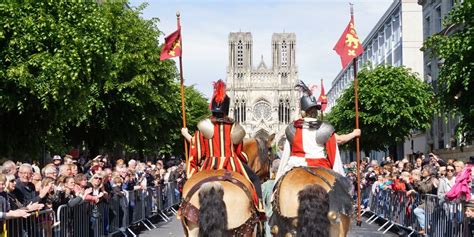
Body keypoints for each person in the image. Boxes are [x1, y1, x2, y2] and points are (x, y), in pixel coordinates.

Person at [181, 79, 264, 212]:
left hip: (209, 164)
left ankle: (183, 209)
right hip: (232, 164)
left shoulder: (204, 127)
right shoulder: (235, 127)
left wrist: (191, 173)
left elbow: (196, 154)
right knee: (254, 179)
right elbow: (239, 153)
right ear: (226, 109)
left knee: (189, 188)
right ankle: (259, 207)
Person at [276, 80, 360, 180]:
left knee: (279, 187)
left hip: (295, 165)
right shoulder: (324, 128)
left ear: (303, 112)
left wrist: (278, 178)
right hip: (319, 165)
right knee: (340, 187)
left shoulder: (292, 128)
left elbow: (285, 156)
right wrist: (354, 133)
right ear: (316, 111)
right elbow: (337, 148)